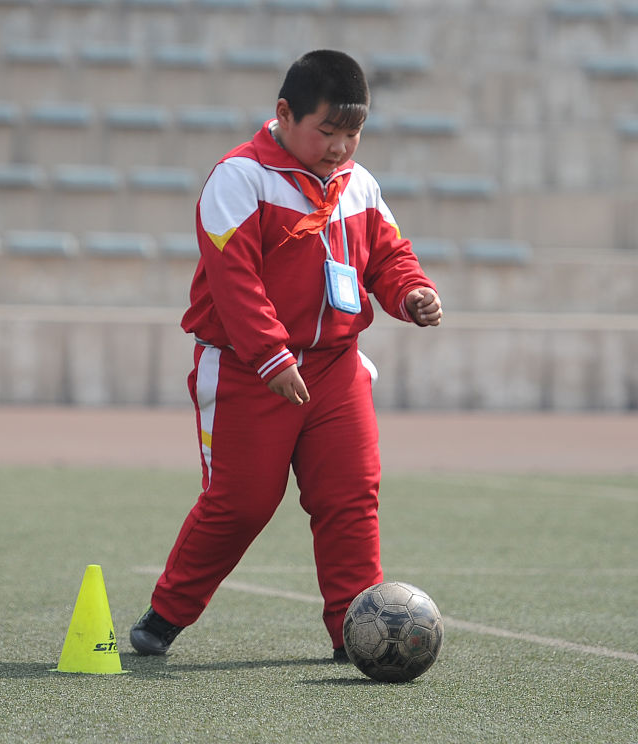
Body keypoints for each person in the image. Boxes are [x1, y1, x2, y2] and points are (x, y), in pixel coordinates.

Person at [129, 50, 443, 660]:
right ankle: (167, 614)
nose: (340, 147)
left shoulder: (360, 183)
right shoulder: (238, 177)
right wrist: (273, 356)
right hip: (251, 368)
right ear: (284, 113)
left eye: (353, 133)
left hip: (335, 366)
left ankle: (354, 635)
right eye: (327, 131)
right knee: (242, 503)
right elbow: (233, 278)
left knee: (350, 497)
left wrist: (413, 293)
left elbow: (388, 255)